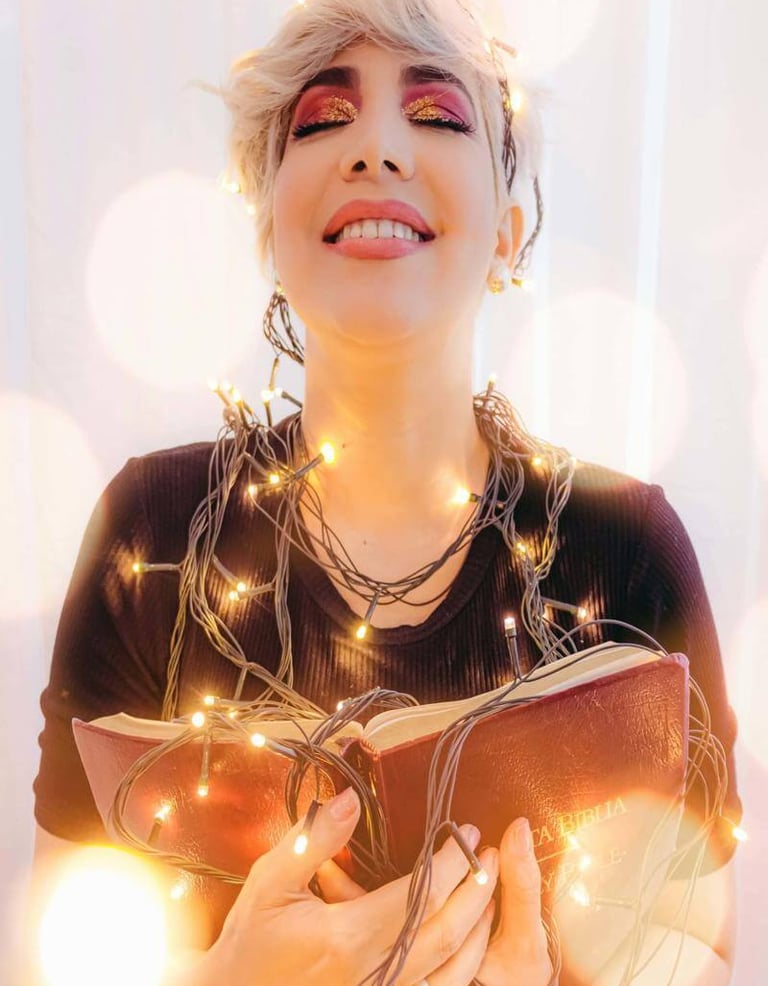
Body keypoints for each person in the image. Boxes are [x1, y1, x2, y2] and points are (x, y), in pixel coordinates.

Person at [29, 0, 742, 984]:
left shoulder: (623, 546)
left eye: (439, 116)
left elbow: (699, 952)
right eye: (323, 119)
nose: (375, 149)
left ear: (509, 234)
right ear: (270, 224)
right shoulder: (151, 535)